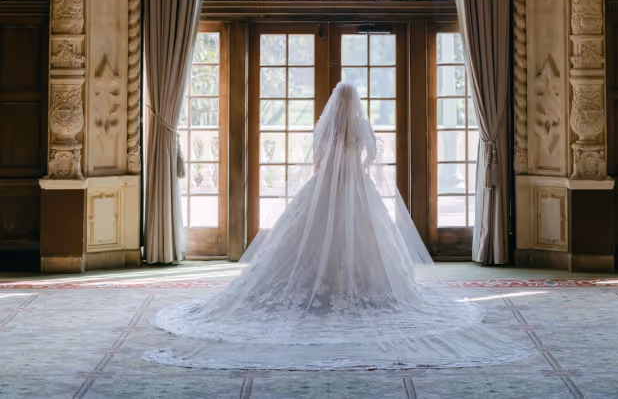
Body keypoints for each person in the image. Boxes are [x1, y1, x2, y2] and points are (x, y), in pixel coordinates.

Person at [147, 82, 530, 371]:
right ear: (356, 103)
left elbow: (315, 164)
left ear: (335, 103)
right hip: (357, 191)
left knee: (301, 244)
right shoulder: (361, 129)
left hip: (325, 189)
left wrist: (327, 179)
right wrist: (357, 169)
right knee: (365, 245)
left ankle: (318, 291)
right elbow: (373, 162)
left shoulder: (327, 129)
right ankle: (364, 292)